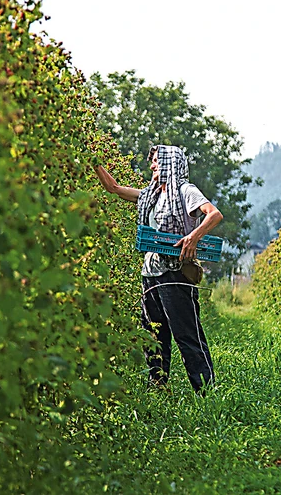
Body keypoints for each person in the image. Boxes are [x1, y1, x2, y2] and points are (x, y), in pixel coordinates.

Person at [94, 145, 223, 393]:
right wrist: (94, 163)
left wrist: (193, 237)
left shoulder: (185, 190)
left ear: (169, 163)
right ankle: (158, 388)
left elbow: (214, 215)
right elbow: (113, 188)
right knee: (153, 335)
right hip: (150, 274)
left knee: (186, 334)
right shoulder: (151, 195)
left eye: (155, 161)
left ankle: (206, 390)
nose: (152, 165)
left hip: (175, 273)